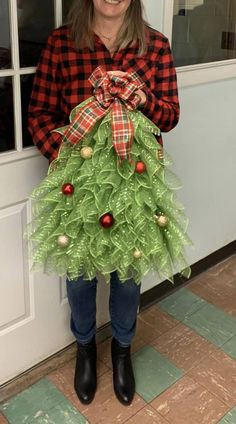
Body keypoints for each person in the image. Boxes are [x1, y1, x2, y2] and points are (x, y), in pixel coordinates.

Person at [28, 0, 180, 407]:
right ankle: (84, 347)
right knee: (78, 273)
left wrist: (141, 99)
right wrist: (69, 158)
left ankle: (122, 349)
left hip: (135, 186)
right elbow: (39, 113)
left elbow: (170, 116)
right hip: (76, 190)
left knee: (127, 275)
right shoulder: (62, 44)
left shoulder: (156, 46)